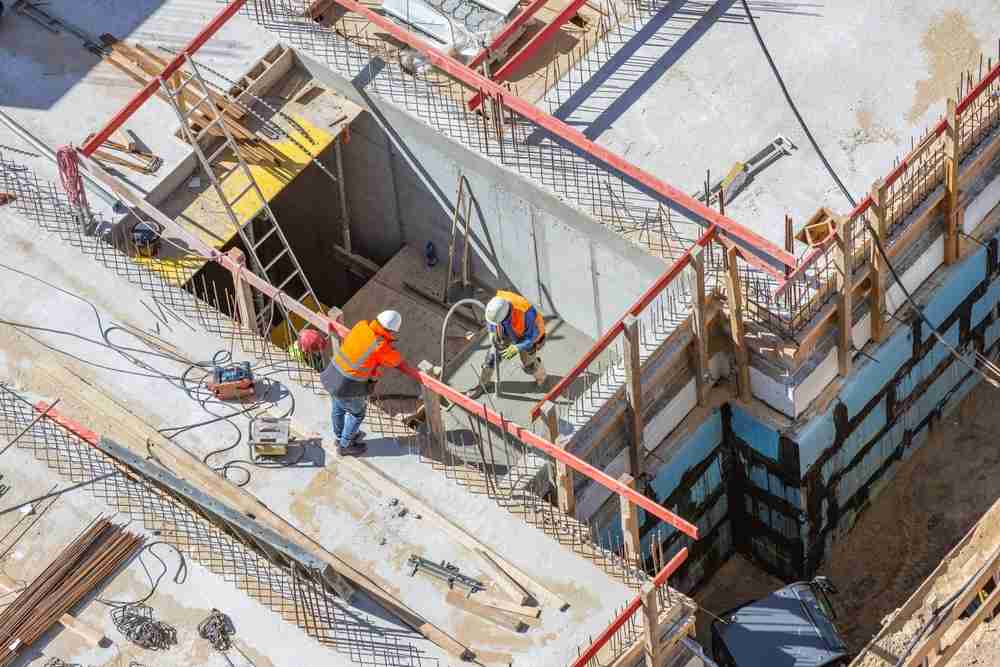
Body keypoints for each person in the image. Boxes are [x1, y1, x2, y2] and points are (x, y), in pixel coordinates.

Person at [320, 310, 403, 456]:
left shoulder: (361, 326)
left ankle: (339, 437)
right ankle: (345, 445)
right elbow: (395, 360)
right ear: (391, 331)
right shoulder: (380, 345)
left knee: (338, 407)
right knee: (357, 413)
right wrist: (389, 346)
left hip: (332, 375)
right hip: (346, 386)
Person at [469, 291, 546, 398]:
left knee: (529, 365)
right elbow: (492, 322)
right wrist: (492, 334)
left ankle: (541, 377)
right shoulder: (496, 305)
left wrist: (517, 347)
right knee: (490, 360)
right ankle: (482, 385)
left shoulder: (525, 313)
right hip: (505, 330)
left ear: (506, 316)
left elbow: (533, 335)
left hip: (526, 336)